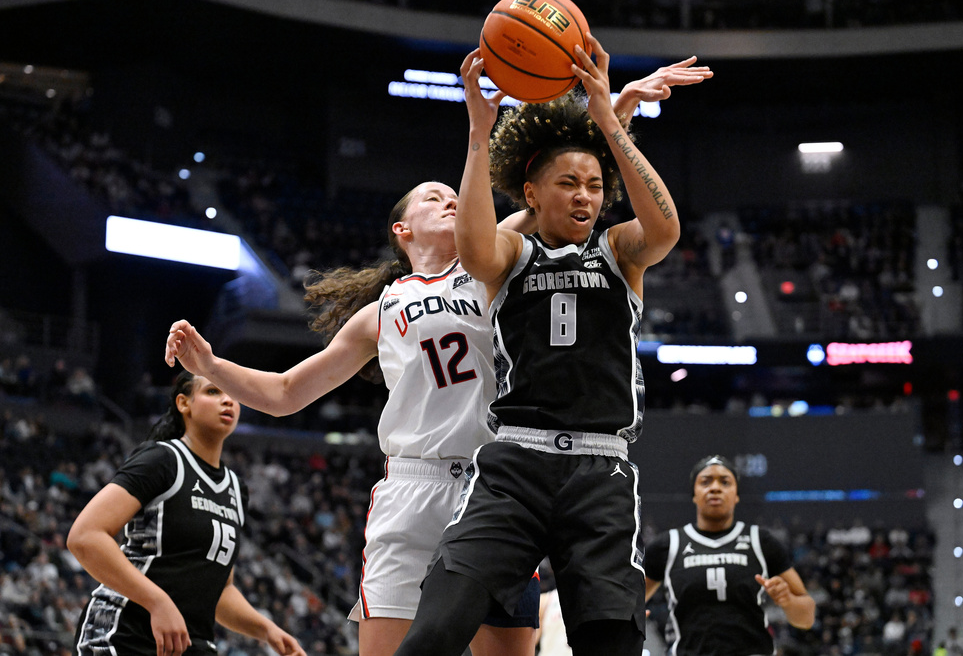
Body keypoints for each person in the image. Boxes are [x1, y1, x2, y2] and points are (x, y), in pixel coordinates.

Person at [163, 57, 712, 656]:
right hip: (415, 484)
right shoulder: (382, 310)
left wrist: (617, 114)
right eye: (433, 197)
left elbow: (569, 192)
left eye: (457, 195)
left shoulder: (501, 258)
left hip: (502, 477)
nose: (451, 200)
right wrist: (213, 368)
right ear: (402, 229)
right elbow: (287, 393)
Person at [393, 36, 711, 656]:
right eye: (568, 183)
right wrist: (479, 134)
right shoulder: (513, 254)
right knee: (435, 628)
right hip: (516, 464)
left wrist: (608, 118)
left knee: (612, 642)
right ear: (533, 194)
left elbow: (665, 226)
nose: (586, 196)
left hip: (601, 468)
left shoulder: (619, 251)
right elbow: (475, 248)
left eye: (595, 185)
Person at [68, 371, 305, 656]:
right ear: (184, 403)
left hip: (189, 642)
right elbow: (85, 536)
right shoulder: (162, 460)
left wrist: (266, 630)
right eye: (213, 392)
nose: (228, 400)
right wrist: (157, 601)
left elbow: (220, 591)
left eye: (234, 394)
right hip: (125, 631)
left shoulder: (236, 488)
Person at [643, 455, 816, 656]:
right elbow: (632, 602)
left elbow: (807, 618)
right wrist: (632, 618)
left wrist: (788, 601)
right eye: (705, 481)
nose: (715, 488)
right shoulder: (668, 544)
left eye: (725, 482)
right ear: (694, 494)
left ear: (736, 495)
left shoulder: (760, 541)